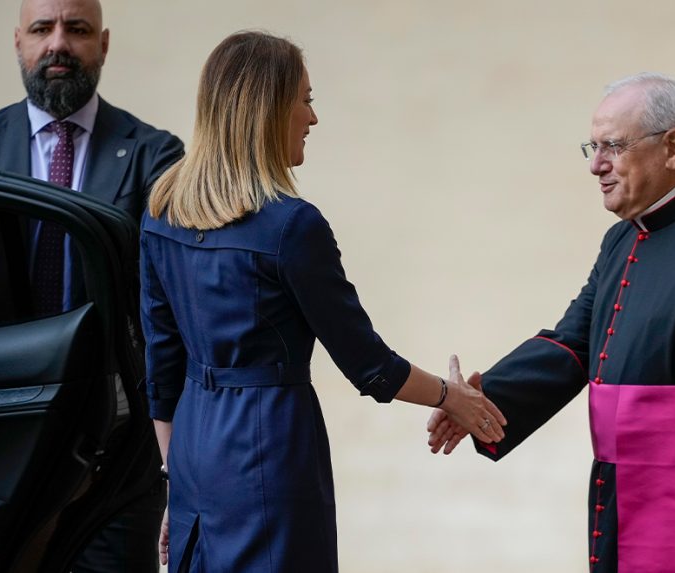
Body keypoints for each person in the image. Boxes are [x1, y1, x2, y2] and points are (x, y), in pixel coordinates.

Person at [140, 31, 506, 573]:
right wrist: (452, 396)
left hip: (194, 452)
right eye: (306, 100)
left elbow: (162, 368)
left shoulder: (162, 211)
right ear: (266, 109)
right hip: (269, 451)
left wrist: (176, 481)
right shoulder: (292, 226)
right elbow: (369, 365)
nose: (312, 118)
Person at [428, 73, 675, 572]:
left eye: (613, 147)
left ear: (671, 147)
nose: (596, 165)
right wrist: (479, 402)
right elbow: (572, 343)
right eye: (592, 147)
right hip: (624, 485)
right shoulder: (621, 239)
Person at [0, 0, 183, 570]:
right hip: (2, 433)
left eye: (78, 29)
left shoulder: (154, 156)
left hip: (116, 450)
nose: (59, 44)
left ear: (104, 43)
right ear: (18, 42)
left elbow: (172, 304)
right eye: (42, 29)